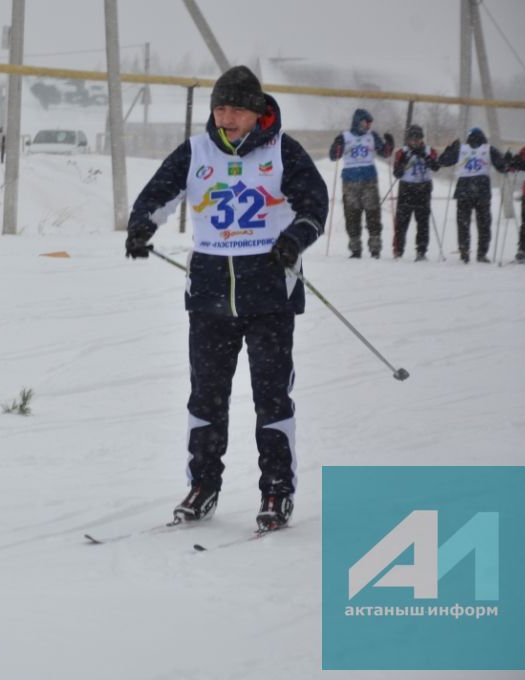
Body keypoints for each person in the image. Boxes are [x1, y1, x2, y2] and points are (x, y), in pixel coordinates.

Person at [124, 65, 328, 532]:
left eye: (236, 108)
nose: (227, 117)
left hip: (270, 295)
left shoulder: (283, 151)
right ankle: (203, 485)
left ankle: (276, 491)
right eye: (220, 107)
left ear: (257, 112)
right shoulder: (196, 151)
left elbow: (314, 203)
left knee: (271, 398)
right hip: (211, 296)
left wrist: (296, 237)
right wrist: (141, 227)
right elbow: (158, 194)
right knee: (206, 398)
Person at [329, 109, 395, 258]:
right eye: (366, 122)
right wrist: (337, 145)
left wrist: (389, 143)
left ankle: (375, 248)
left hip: (368, 180)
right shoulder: (345, 137)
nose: (368, 126)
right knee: (352, 214)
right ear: (358, 122)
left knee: (373, 213)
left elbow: (385, 152)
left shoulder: (372, 137)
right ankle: (355, 248)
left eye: (370, 123)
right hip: (350, 181)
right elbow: (333, 156)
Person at [437, 127, 510, 263]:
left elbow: (442, 162)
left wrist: (450, 149)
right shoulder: (489, 149)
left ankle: (464, 251)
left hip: (464, 188)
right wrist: (507, 161)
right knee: (484, 223)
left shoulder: (461, 149)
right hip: (482, 189)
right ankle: (482, 253)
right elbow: (502, 167)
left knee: (463, 223)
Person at [391, 124, 441, 261]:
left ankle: (421, 251)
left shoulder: (430, 151)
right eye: (412, 138)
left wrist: (425, 155)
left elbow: (436, 166)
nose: (415, 141)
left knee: (423, 222)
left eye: (418, 138)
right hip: (406, 189)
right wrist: (406, 159)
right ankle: (398, 250)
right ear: (408, 139)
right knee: (401, 222)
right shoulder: (402, 152)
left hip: (423, 189)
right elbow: (397, 172)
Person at [505, 127, 525, 264]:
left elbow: (516, 165)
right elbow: (514, 165)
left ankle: (522, 250)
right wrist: (510, 162)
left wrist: (512, 163)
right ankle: (522, 251)